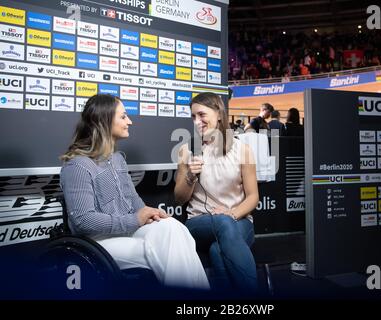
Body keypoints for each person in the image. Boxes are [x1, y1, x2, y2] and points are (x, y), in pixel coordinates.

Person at [59, 94, 209, 290]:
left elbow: (133, 201)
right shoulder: (77, 166)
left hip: (127, 232)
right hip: (96, 242)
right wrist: (135, 220)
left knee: (173, 227)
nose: (129, 121)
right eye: (123, 117)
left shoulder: (117, 159)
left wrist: (152, 213)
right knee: (166, 247)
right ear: (104, 120)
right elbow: (84, 221)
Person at [174, 92, 259, 293]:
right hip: (198, 223)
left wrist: (231, 214)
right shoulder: (187, 150)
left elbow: (253, 196)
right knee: (222, 223)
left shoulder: (242, 149)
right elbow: (179, 199)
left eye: (202, 115)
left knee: (218, 250)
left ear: (219, 113)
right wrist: (190, 177)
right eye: (193, 117)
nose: (197, 122)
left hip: (239, 220)